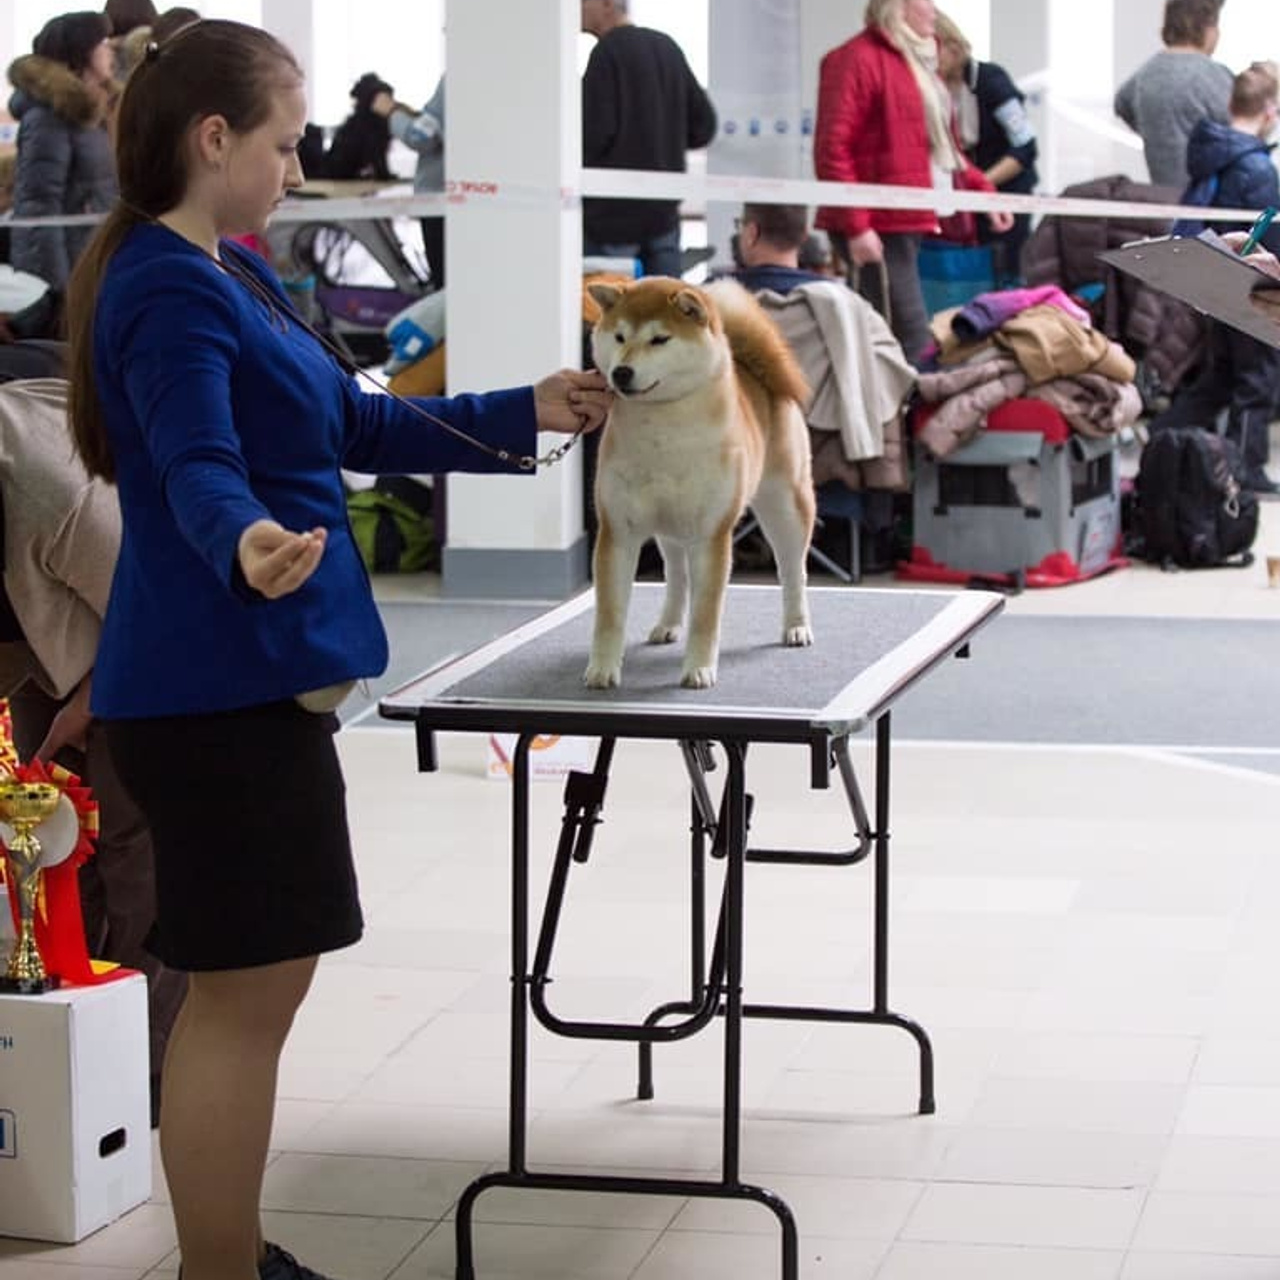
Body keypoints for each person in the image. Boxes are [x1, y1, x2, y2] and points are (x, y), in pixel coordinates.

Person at [62, 19, 609, 1280]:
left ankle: (231, 1252)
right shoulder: (163, 285)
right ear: (213, 140)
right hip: (212, 697)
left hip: (250, 689)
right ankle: (217, 1268)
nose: (296, 167)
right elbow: (195, 459)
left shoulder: (231, 267)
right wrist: (244, 535)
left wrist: (518, 409)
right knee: (240, 1003)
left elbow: (353, 419)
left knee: (259, 993)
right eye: (284, 143)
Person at [0, 378, 186, 1129]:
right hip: (47, 612)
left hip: (158, 628)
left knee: (136, 856)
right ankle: (72, 1040)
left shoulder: (54, 490)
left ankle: (149, 1077)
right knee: (52, 849)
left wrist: (87, 703)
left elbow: (160, 612)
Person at [813, 0, 1013, 365]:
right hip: (877, 225)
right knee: (906, 334)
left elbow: (940, 152)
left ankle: (901, 417)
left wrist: (985, 194)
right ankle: (900, 419)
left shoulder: (916, 65)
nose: (935, 10)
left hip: (904, 222)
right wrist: (857, 227)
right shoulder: (856, 59)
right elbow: (832, 149)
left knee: (899, 335)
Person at [1148, 60, 1280, 496]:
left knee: (1221, 378)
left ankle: (1162, 434)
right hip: (1250, 286)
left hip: (1213, 279)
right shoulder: (1257, 167)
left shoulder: (1212, 152)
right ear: (1270, 110)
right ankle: (1246, 470)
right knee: (1256, 380)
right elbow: (1270, 237)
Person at [580, 0, 717, 278]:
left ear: (607, 3)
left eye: (583, 2)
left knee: (608, 313)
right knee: (666, 312)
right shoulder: (667, 48)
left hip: (612, 221)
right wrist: (666, 141)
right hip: (663, 215)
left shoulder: (606, 54)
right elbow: (704, 126)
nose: (577, 9)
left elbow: (592, 137)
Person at [7, 10, 119, 296]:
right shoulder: (48, 117)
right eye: (101, 42)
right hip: (68, 274)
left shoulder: (96, 112)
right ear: (81, 53)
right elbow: (38, 208)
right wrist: (57, 291)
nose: (110, 49)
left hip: (95, 262)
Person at [934, 10, 1038, 285]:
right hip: (969, 196)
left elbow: (1025, 146)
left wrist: (980, 184)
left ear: (954, 49)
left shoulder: (992, 81)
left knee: (1005, 272)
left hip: (1008, 193)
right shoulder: (935, 89)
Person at [1114, 0, 1232, 189]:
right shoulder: (1215, 76)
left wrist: (1152, 131)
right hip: (1211, 200)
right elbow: (1243, 130)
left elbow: (1121, 103)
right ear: (1207, 29)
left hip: (1163, 199)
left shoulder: (1145, 74)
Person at [370, 74, 446, 287]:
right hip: (477, 199)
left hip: (439, 202)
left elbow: (422, 136)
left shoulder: (455, 77)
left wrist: (391, 111)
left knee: (444, 289)